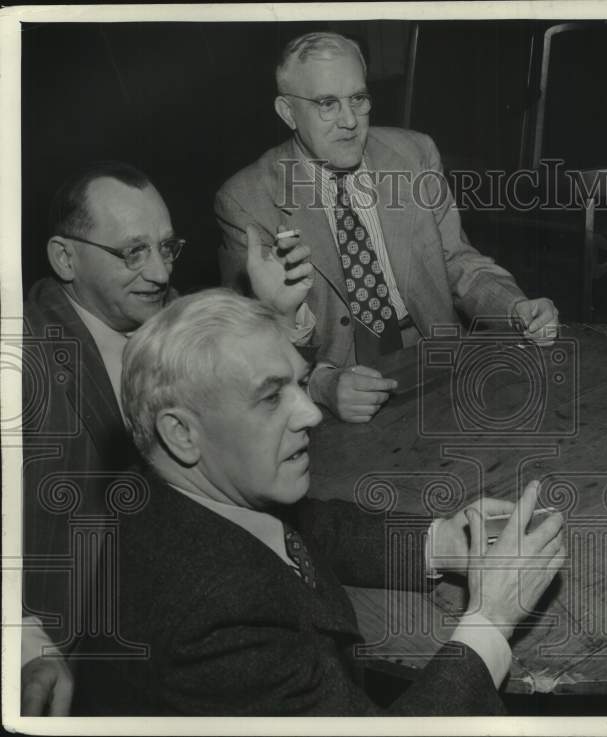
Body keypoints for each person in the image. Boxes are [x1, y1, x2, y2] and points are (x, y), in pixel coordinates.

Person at [71, 290, 566, 715]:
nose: (311, 414)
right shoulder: (215, 623)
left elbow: (312, 528)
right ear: (180, 433)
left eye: (300, 384)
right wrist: (490, 620)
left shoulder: (180, 490)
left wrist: (443, 541)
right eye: (270, 398)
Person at [21, 161, 313, 714]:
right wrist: (22, 642)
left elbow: (259, 399)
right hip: (86, 654)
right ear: (65, 258)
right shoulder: (25, 352)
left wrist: (276, 314)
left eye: (166, 247)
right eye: (132, 253)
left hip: (189, 610)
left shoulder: (173, 315)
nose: (158, 273)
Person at [215, 31, 559, 424]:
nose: (349, 121)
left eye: (358, 99)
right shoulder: (245, 200)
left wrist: (515, 308)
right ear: (288, 112)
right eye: (327, 103)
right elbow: (246, 344)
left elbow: (457, 262)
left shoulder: (414, 155)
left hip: (437, 365)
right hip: (337, 391)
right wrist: (323, 385)